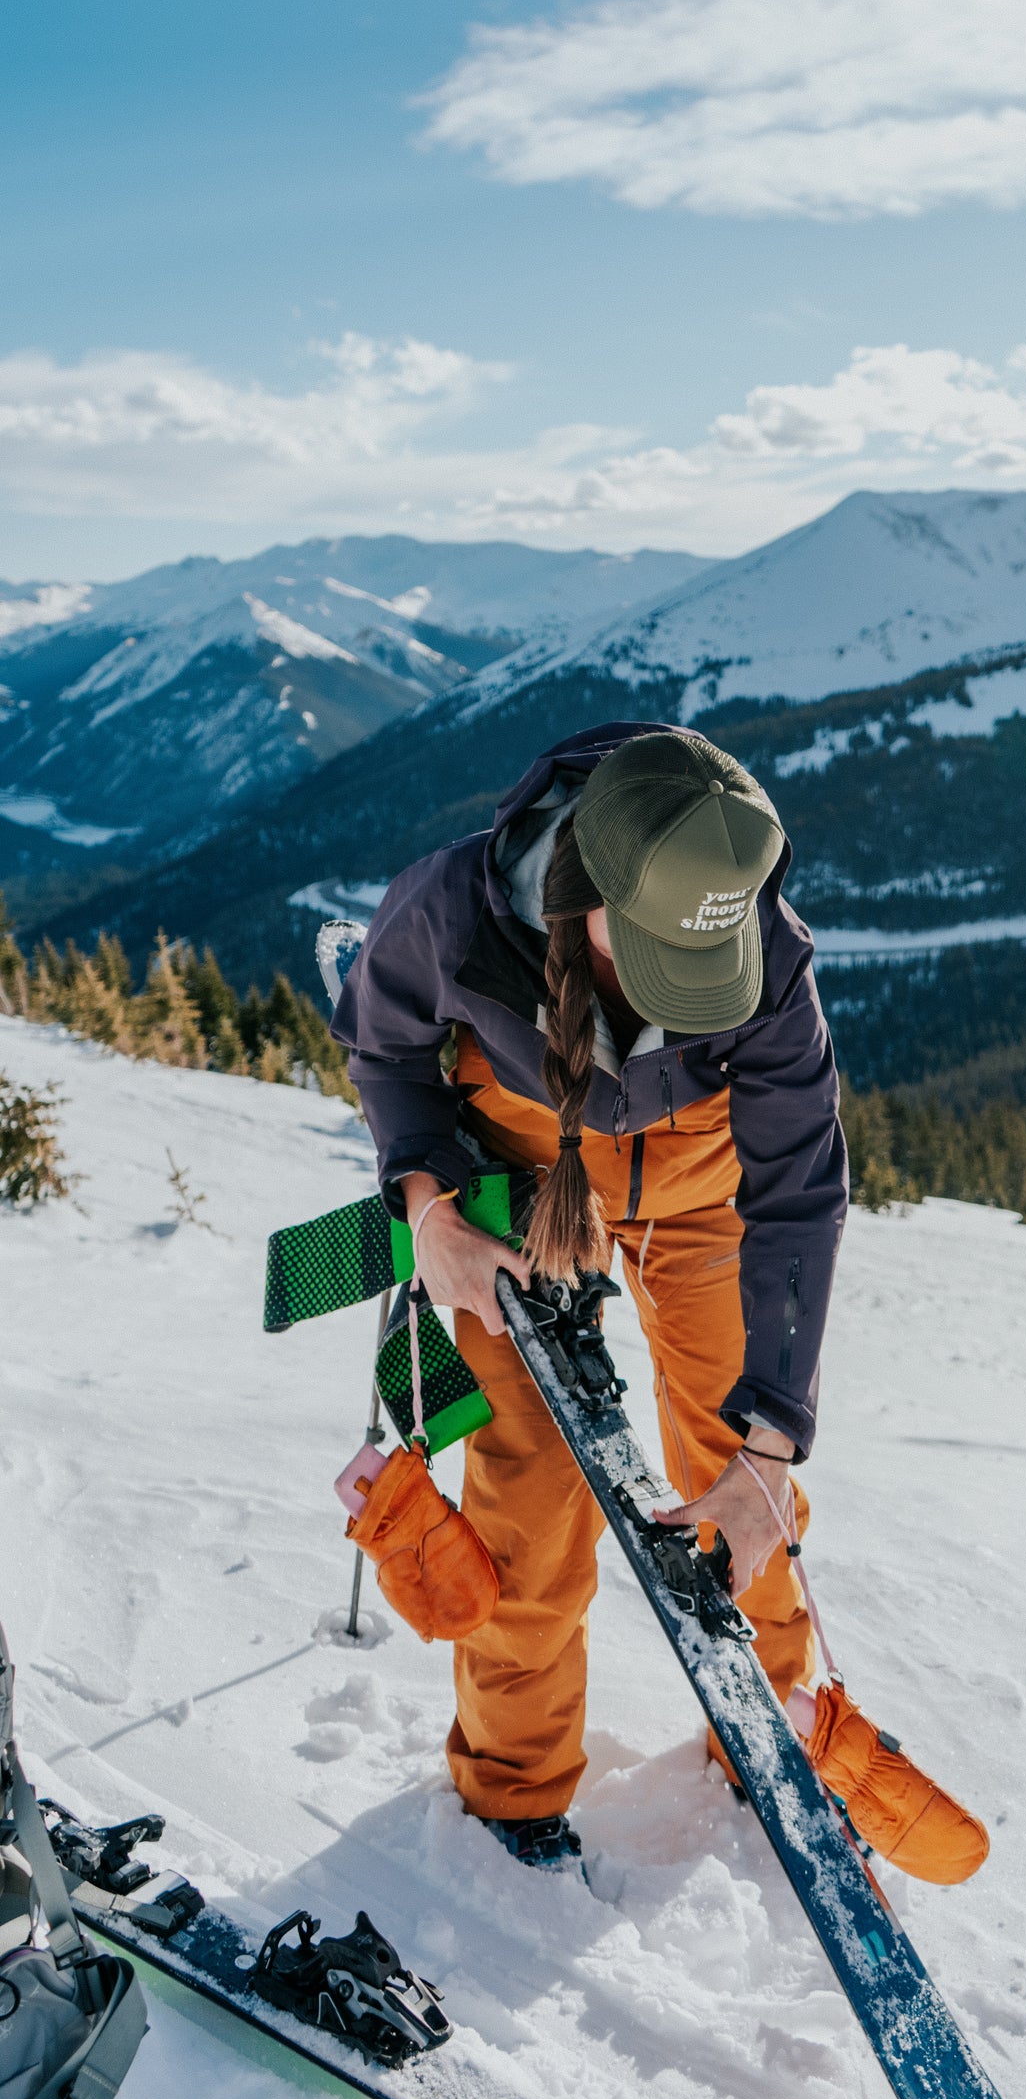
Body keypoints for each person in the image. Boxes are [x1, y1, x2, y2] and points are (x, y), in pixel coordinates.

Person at [332, 724, 849, 1869]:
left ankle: (765, 1731)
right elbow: (386, 1051)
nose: (688, 987)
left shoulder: (759, 940)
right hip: (517, 1173)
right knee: (524, 1495)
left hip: (699, 1185)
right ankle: (510, 1794)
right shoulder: (453, 910)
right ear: (584, 888)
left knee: (738, 1470)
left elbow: (800, 1190)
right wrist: (427, 1214)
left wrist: (772, 1443)